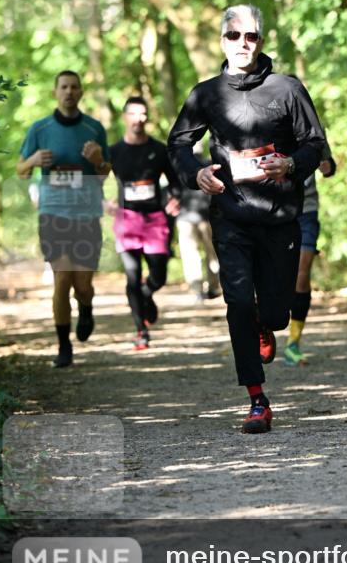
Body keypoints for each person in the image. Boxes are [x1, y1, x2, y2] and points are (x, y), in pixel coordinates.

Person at [168, 3, 325, 434]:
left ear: (261, 40)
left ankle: (265, 324)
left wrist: (291, 165)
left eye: (251, 36)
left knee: (274, 313)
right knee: (237, 301)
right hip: (232, 216)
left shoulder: (287, 89)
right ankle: (257, 400)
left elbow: (315, 144)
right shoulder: (206, 95)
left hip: (279, 218)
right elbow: (178, 145)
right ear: (222, 41)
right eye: (234, 36)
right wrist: (194, 172)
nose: (243, 43)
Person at [17, 70, 110, 368]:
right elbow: (21, 170)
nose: (69, 92)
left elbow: (104, 172)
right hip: (53, 215)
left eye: (74, 87)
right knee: (62, 279)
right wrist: (32, 161)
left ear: (81, 92)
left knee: (82, 283)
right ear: (55, 92)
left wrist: (97, 161)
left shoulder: (94, 128)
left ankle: (86, 306)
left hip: (86, 214)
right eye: (63, 87)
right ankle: (63, 346)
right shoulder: (40, 128)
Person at [109, 96, 180, 350]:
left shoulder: (159, 150)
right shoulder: (113, 152)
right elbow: (98, 184)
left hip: (154, 221)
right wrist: (106, 203)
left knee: (158, 276)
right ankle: (141, 330)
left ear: (147, 117)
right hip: (126, 221)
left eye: (143, 114)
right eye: (133, 114)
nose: (138, 119)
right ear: (125, 117)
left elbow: (175, 182)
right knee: (132, 277)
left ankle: (146, 295)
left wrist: (175, 198)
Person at [284, 142, 336, 366]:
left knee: (302, 275)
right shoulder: (264, 114)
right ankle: (262, 330)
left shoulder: (311, 122)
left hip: (307, 209)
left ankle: (293, 344)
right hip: (273, 209)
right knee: (270, 275)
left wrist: (327, 166)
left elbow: (328, 163)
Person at [176, 185, 221, 301]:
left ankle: (201, 290)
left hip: (196, 215)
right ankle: (211, 288)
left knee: (202, 255)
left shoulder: (180, 167)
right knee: (211, 254)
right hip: (196, 215)